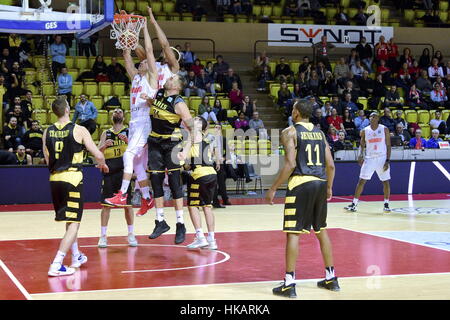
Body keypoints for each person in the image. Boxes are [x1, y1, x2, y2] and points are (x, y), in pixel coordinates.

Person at [266, 99, 339, 298]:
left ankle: (289, 283)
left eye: (292, 109)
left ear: (297, 113)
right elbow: (330, 165)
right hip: (320, 182)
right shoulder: (320, 133)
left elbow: (290, 164)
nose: (291, 112)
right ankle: (331, 278)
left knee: (293, 233)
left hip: (300, 184)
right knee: (321, 230)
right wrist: (329, 187)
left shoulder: (289, 132)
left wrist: (273, 188)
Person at [43, 96, 108, 276]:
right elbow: (98, 154)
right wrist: (102, 163)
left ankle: (76, 255)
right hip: (72, 178)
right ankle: (57, 263)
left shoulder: (47, 131)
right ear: (67, 110)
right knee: (74, 223)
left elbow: (47, 157)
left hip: (55, 179)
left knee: (70, 220)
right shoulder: (79, 130)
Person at [105, 20, 158, 217]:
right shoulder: (136, 76)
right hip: (135, 123)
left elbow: (147, 55)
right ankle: (147, 199)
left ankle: (122, 194)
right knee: (137, 166)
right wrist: (126, 34)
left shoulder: (152, 78)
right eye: (141, 62)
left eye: (144, 61)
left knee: (127, 155)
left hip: (144, 122)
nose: (142, 62)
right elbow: (127, 56)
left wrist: (140, 33)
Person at [98, 108, 138, 248]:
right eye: (114, 111)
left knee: (127, 206)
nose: (117, 112)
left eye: (119, 111)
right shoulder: (106, 133)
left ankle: (131, 234)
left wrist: (128, 141)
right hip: (109, 173)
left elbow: (137, 151)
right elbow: (97, 153)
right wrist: (104, 146)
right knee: (106, 206)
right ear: (111, 117)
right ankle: (103, 236)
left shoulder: (128, 132)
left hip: (123, 173)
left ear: (124, 116)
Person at [179, 117, 219, 250]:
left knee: (192, 206)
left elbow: (184, 159)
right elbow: (188, 163)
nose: (193, 119)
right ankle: (212, 240)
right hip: (211, 174)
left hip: (200, 175)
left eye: (196, 119)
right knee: (207, 207)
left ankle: (200, 237)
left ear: (200, 125)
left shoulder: (194, 134)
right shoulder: (205, 138)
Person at [345, 112, 391, 213]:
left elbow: (388, 145)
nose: (372, 118)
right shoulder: (365, 130)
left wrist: (387, 160)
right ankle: (354, 204)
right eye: (371, 116)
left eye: (374, 116)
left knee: (385, 181)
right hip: (369, 158)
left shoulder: (384, 129)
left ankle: (386, 204)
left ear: (378, 118)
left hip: (381, 158)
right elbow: (362, 144)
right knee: (361, 181)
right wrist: (360, 155)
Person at [148, 8, 180, 89]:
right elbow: (144, 52)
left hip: (164, 97)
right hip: (151, 97)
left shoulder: (174, 66)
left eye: (170, 52)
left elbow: (165, 45)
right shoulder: (155, 64)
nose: (166, 51)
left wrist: (154, 23)